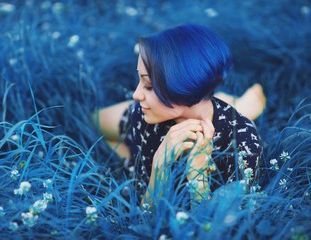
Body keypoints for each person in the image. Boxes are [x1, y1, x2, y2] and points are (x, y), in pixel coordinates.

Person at [93, 24, 266, 207]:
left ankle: (234, 108)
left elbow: (214, 228)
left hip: (166, 112)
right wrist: (160, 164)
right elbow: (145, 216)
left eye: (149, 86)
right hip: (151, 114)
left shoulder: (245, 144)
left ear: (183, 90)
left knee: (116, 152)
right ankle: (224, 103)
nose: (136, 94)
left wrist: (197, 177)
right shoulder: (143, 114)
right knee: (92, 123)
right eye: (140, 80)